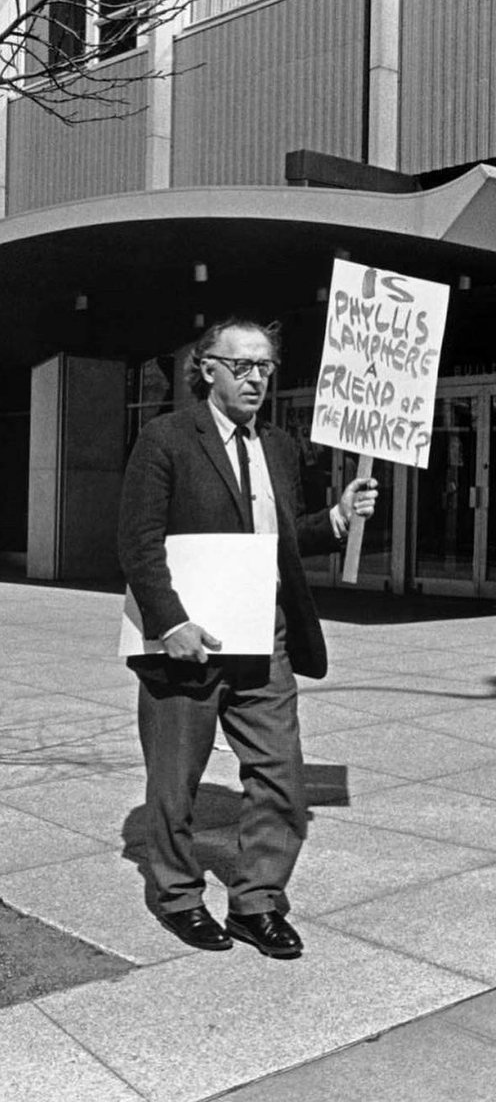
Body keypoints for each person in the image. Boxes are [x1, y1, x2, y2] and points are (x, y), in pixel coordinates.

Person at [118, 317, 378, 960]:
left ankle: (257, 902)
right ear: (208, 369)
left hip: (267, 639)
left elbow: (283, 539)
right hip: (189, 646)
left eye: (266, 366)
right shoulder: (166, 439)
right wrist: (171, 622)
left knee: (281, 779)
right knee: (175, 785)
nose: (257, 378)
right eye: (244, 366)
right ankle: (178, 896)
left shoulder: (281, 449)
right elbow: (138, 543)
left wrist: (339, 519)